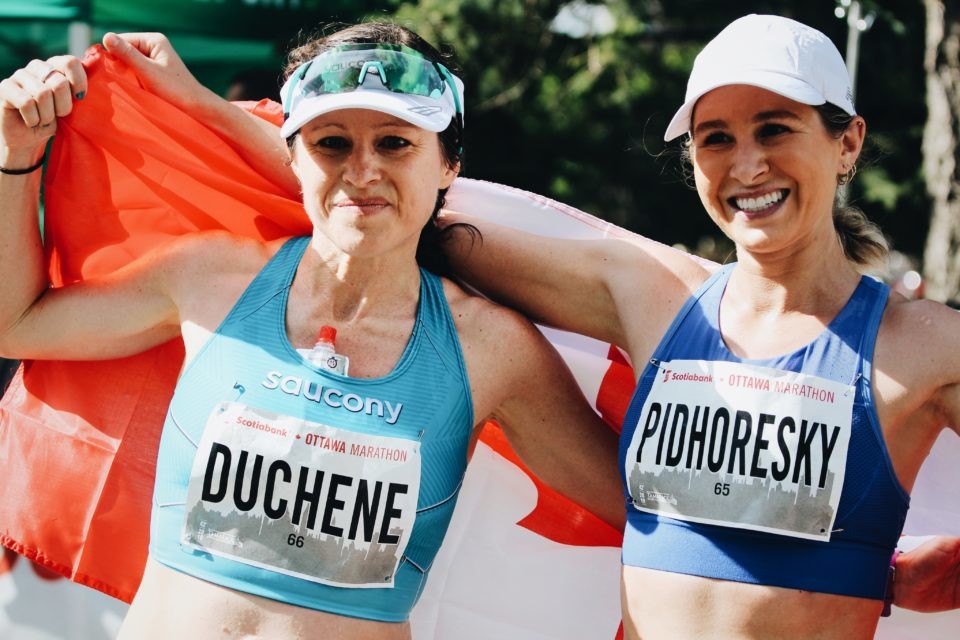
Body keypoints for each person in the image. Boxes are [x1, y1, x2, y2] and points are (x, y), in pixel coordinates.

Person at [0, 23, 624, 639]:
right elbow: (17, 324)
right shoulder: (211, 279)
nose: (362, 171)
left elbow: (644, 513)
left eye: (395, 143)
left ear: (447, 165)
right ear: (293, 158)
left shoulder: (490, 348)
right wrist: (16, 156)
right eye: (331, 143)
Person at [441, 13, 960, 639]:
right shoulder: (652, 294)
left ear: (847, 143)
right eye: (716, 139)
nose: (747, 167)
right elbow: (427, 235)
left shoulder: (926, 345)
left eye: (774, 130)